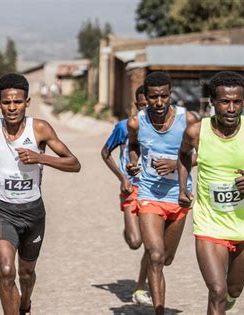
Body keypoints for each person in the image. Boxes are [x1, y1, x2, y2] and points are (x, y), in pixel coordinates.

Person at [178, 71, 244, 314]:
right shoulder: (196, 132)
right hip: (209, 224)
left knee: (232, 291)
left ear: (243, 103)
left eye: (237, 102)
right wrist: (183, 185)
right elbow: (183, 156)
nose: (231, 108)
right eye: (225, 102)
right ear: (212, 102)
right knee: (216, 290)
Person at [0, 73, 81, 314]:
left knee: (26, 272)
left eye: (18, 102)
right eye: (7, 102)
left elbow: (74, 163)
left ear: (27, 102)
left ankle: (25, 302)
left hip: (33, 213)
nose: (12, 108)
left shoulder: (40, 129)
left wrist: (40, 157)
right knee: (6, 271)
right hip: (3, 212)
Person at [126, 72, 199, 314]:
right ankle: (159, 310)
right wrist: (133, 163)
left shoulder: (187, 119)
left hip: (179, 196)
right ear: (145, 97)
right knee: (155, 255)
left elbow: (206, 153)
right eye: (154, 97)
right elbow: (134, 145)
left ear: (171, 95)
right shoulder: (137, 122)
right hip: (149, 194)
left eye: (164, 96)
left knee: (166, 258)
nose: (159, 102)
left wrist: (176, 164)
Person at [100, 85, 152, 305]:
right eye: (141, 105)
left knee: (152, 245)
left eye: (148, 104)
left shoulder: (164, 128)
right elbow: (105, 152)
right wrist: (122, 177)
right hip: (131, 188)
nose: (146, 109)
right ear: (136, 105)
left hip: (153, 191)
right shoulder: (124, 127)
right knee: (134, 241)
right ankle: (128, 227)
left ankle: (140, 287)